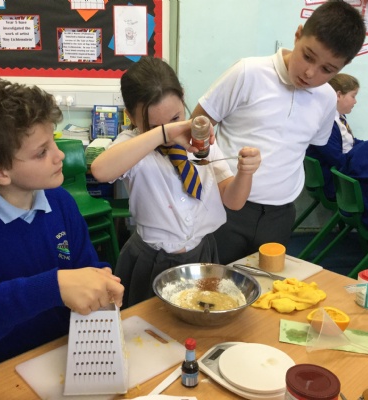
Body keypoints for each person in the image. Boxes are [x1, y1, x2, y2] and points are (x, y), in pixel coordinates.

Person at [191, 0, 366, 264]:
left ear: (341, 68)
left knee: (268, 284)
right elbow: (196, 127)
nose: (310, 73)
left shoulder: (327, 99)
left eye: (327, 70)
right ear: (298, 35)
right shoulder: (248, 72)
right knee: (214, 280)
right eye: (308, 56)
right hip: (224, 208)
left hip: (280, 215)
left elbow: (302, 146)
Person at [0, 76, 124, 374]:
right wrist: (53, 286)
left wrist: (100, 279)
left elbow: (85, 265)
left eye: (53, 140)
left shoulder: (61, 202)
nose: (60, 155)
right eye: (42, 152)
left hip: (63, 356)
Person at [91, 56, 261, 308]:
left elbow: (233, 201)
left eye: (175, 118)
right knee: (148, 325)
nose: (169, 133)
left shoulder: (199, 141)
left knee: (199, 317)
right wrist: (164, 132)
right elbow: (100, 171)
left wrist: (246, 173)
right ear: (131, 117)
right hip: (151, 260)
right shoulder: (131, 145)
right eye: (153, 126)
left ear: (183, 96)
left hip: (201, 255)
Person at [306, 73, 362, 199]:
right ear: (338, 95)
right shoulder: (327, 124)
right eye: (353, 96)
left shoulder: (338, 118)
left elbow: (350, 142)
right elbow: (338, 160)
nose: (355, 101)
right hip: (336, 183)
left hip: (340, 175)